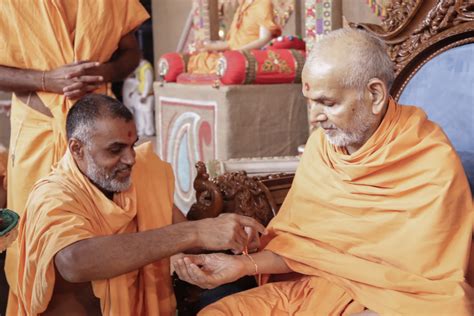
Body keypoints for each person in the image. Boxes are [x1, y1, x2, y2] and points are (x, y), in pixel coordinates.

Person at [173, 28, 474, 315]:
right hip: (316, 287)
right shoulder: (323, 148)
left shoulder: (429, 159)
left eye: (327, 103)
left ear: (375, 95)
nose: (315, 117)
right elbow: (304, 247)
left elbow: (428, 283)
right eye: (310, 102)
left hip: (395, 300)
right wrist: (241, 266)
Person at [16, 94, 266, 315]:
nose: (130, 159)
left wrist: (232, 237)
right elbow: (74, 262)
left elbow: (181, 234)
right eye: (115, 150)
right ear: (77, 148)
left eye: (132, 145)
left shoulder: (143, 173)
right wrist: (196, 231)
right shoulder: (52, 195)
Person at [0, 1, 149, 313]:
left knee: (107, 229)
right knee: (36, 239)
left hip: (101, 132)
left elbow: (130, 51)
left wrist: (104, 71)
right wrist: (45, 81)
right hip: (37, 130)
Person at [187, 0, 281, 74]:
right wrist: (209, 47)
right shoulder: (242, 7)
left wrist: (239, 51)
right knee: (199, 59)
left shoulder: (263, 3)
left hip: (249, 55)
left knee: (222, 64)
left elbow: (264, 39)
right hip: (233, 54)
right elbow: (231, 43)